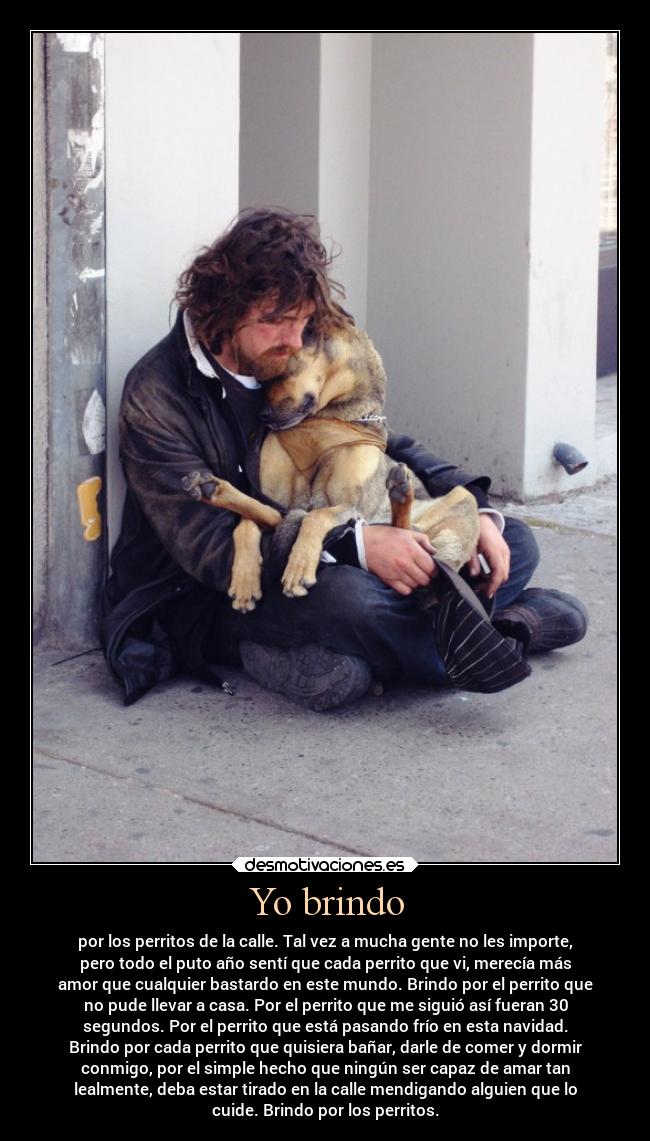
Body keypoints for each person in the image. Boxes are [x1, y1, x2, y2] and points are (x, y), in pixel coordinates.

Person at [101, 208, 587, 710]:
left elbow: (370, 435)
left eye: (305, 321)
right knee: (352, 602)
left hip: (323, 543)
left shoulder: (287, 350)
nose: (295, 341)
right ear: (222, 309)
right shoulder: (155, 396)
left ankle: (384, 652)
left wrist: (473, 504)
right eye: (276, 322)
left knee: (511, 541)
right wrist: (357, 544)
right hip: (210, 593)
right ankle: (506, 633)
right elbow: (211, 551)